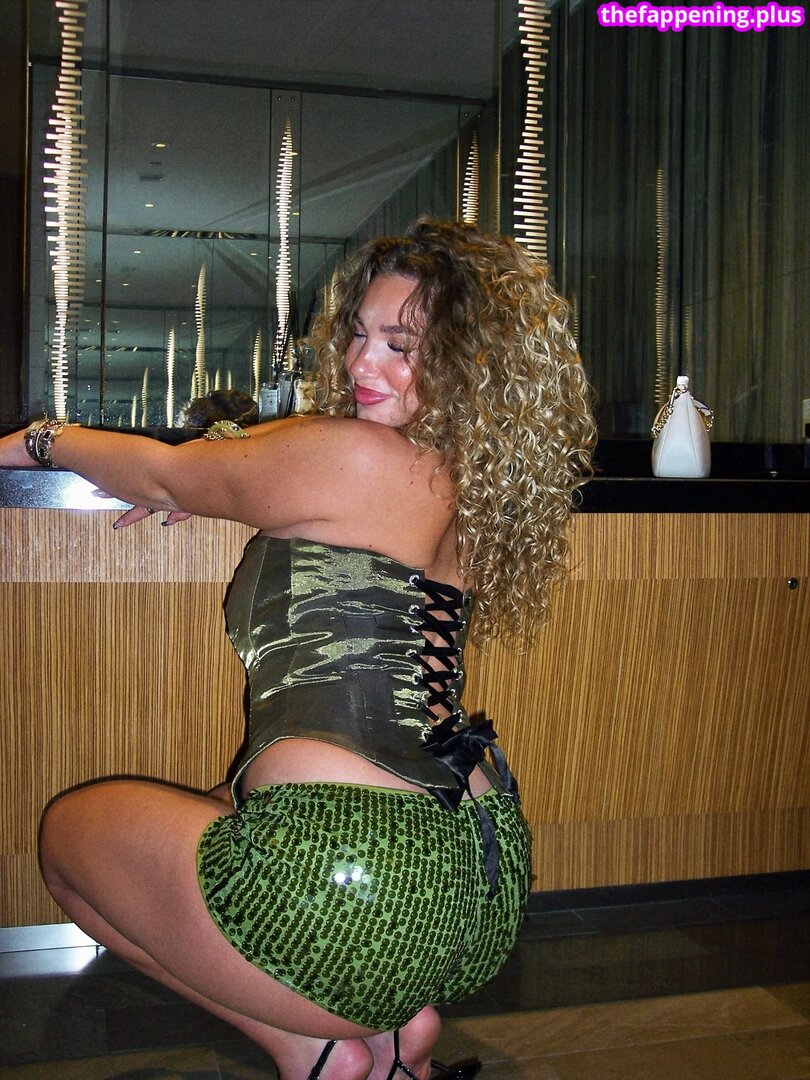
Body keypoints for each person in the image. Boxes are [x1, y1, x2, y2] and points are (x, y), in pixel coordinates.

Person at [0, 219, 595, 1080]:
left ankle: (316, 1048)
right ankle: (390, 1037)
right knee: (221, 807)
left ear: (470, 363)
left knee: (68, 842)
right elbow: (254, 481)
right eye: (358, 333)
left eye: (401, 346)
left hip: (359, 886)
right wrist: (226, 483)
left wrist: (36, 441)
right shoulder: (474, 479)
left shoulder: (355, 457)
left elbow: (167, 471)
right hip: (477, 881)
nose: (360, 363)